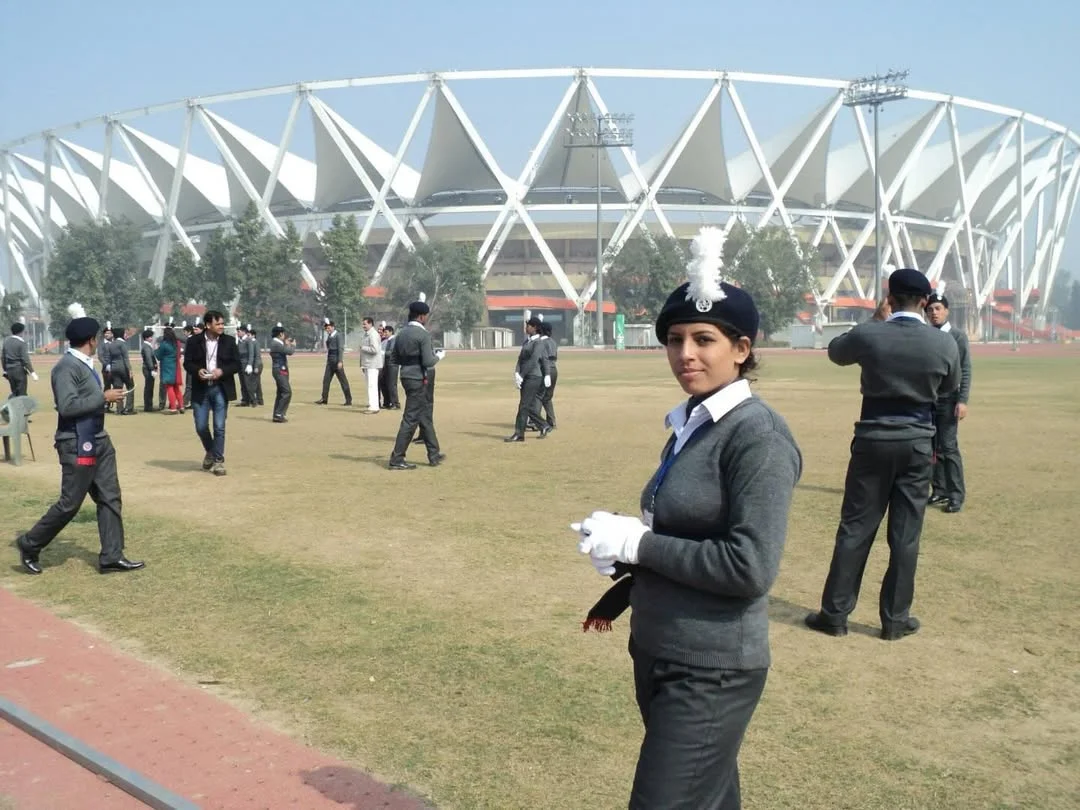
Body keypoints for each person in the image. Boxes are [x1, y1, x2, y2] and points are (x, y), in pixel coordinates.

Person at [571, 227, 801, 809]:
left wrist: (640, 545)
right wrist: (621, 545)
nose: (685, 355)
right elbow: (681, 528)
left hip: (712, 667)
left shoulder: (758, 436)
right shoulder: (692, 423)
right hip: (660, 646)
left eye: (704, 339)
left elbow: (750, 567)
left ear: (742, 349)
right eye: (675, 340)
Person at [805, 268, 960, 642]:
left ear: (888, 298)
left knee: (856, 528)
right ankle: (894, 619)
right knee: (906, 535)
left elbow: (836, 352)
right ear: (925, 301)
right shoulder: (944, 343)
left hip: (874, 435)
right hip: (918, 440)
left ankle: (835, 614)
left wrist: (872, 321)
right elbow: (950, 387)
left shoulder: (871, 333)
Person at [15, 305, 145, 576]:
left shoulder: (84, 364)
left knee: (110, 498)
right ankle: (30, 543)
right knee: (70, 503)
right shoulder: (66, 368)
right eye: (97, 338)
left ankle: (112, 556)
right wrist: (104, 397)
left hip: (99, 439)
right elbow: (67, 406)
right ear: (91, 340)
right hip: (76, 443)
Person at [925, 283, 971, 513]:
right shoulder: (925, 336)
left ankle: (955, 494)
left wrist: (962, 400)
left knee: (949, 447)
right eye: (931, 309)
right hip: (928, 400)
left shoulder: (957, 337)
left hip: (948, 399)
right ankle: (939, 489)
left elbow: (966, 369)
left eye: (938, 309)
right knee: (933, 448)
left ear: (947, 311)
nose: (934, 313)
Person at [388, 294, 445, 469]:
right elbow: (428, 361)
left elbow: (393, 358)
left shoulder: (400, 334)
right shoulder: (422, 334)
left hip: (406, 376)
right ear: (421, 316)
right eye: (426, 316)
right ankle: (397, 458)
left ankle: (434, 453)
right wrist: (439, 356)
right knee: (411, 419)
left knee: (424, 415)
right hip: (419, 378)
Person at [183, 310, 240, 476]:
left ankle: (218, 461)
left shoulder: (229, 341)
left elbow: (237, 364)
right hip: (201, 388)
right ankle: (210, 450)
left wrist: (222, 371)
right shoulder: (194, 341)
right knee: (201, 426)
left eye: (222, 323)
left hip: (220, 388)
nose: (221, 326)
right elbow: (187, 363)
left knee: (219, 426)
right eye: (218, 324)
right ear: (208, 325)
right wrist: (197, 370)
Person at [505, 316, 549, 442]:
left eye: (528, 326)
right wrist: (517, 373)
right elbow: (520, 358)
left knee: (523, 406)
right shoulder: (528, 342)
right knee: (526, 405)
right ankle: (543, 425)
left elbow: (533, 360)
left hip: (534, 377)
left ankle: (519, 433)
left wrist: (522, 375)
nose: (526, 328)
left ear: (534, 328)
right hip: (525, 376)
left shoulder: (539, 343)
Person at [315, 317, 352, 406]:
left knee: (343, 381)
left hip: (336, 360)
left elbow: (340, 349)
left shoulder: (338, 335)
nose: (327, 330)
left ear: (332, 327)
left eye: (328, 328)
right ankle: (324, 398)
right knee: (326, 380)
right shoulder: (330, 336)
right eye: (326, 328)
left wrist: (340, 361)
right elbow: (328, 347)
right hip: (330, 361)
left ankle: (348, 400)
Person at [3, 322, 38, 397]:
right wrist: (32, 373)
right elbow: (25, 360)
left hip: (9, 370)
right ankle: (18, 408)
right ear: (21, 331)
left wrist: (5, 370)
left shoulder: (6, 342)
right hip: (18, 370)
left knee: (14, 392)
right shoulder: (21, 343)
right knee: (22, 393)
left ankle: (13, 407)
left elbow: (3, 357)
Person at [268, 323, 294, 423]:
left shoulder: (277, 343)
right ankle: (279, 413)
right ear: (280, 334)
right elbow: (290, 351)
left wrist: (286, 343)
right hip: (279, 369)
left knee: (281, 392)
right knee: (287, 392)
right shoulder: (276, 344)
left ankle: (277, 414)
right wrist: (292, 345)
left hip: (279, 369)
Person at [154, 327, 184, 414]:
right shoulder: (177, 343)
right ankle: (181, 406)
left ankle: (173, 407)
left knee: (169, 387)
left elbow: (159, 355)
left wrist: (155, 350)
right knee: (176, 387)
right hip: (176, 365)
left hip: (167, 366)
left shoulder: (164, 344)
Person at [359, 317, 383, 414]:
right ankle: (372, 404)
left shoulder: (373, 334)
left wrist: (363, 348)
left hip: (373, 364)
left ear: (370, 324)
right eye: (363, 324)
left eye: (365, 324)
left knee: (372, 386)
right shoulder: (367, 334)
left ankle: (374, 407)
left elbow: (375, 350)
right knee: (370, 385)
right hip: (368, 364)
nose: (363, 326)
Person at [537, 321, 558, 430]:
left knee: (539, 397)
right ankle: (551, 421)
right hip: (554, 369)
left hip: (545, 370)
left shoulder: (540, 342)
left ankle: (536, 421)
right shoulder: (553, 342)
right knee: (547, 397)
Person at [380, 324, 400, 409]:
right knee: (384, 383)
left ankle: (395, 403)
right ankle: (387, 402)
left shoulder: (394, 340)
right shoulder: (386, 341)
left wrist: (381, 352)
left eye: (386, 332)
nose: (385, 333)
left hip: (393, 365)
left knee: (392, 384)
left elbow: (390, 352)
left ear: (391, 332)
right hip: (386, 365)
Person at [140, 329, 158, 412]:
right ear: (146, 338)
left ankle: (149, 405)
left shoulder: (148, 345)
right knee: (149, 388)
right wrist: (152, 369)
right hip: (148, 369)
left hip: (149, 368)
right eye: (150, 337)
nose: (152, 338)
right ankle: (148, 406)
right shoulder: (146, 346)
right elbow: (148, 359)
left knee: (150, 387)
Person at [236, 324, 253, 406]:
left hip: (246, 363)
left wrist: (249, 364)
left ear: (244, 332)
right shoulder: (239, 340)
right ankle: (245, 400)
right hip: (240, 364)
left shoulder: (248, 340)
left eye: (239, 331)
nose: (237, 333)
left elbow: (251, 353)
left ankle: (252, 400)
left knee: (247, 383)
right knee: (242, 383)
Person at [249, 326, 264, 407]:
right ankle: (260, 400)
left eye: (249, 335)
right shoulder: (252, 342)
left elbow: (257, 356)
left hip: (257, 365)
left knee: (252, 384)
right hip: (256, 365)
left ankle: (253, 401)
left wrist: (256, 367)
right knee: (257, 384)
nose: (248, 337)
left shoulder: (255, 343)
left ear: (253, 335)